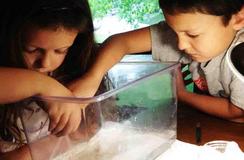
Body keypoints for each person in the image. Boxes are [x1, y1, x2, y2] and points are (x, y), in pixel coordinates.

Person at [77, 0, 244, 123]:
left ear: (238, 19)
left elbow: (237, 111)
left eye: (192, 35)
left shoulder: (240, 57)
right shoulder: (188, 31)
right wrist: (92, 78)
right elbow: (121, 42)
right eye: (174, 31)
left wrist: (183, 95)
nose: (181, 44)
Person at [0, 0, 96, 159]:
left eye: (61, 51)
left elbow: (86, 131)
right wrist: (43, 84)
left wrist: (29, 153)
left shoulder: (74, 71)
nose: (45, 63)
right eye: (32, 49)